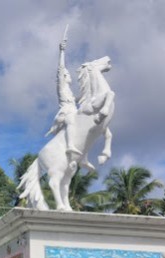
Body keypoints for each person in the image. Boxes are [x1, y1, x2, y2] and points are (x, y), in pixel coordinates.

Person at [46, 31, 94, 171]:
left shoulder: (70, 93)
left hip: (73, 109)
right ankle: (70, 147)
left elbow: (79, 99)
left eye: (67, 73)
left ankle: (83, 158)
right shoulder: (61, 86)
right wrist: (62, 52)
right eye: (66, 74)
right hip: (66, 113)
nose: (68, 74)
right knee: (72, 119)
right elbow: (60, 69)